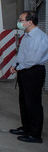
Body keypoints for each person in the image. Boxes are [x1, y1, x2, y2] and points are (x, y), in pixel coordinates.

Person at [8, 11, 48, 143]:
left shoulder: (39, 37)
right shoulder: (26, 35)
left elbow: (33, 59)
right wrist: (15, 64)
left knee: (33, 103)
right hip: (24, 70)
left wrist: (18, 67)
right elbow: (21, 54)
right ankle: (26, 127)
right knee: (24, 101)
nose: (19, 22)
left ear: (30, 22)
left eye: (21, 19)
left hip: (33, 72)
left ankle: (35, 134)